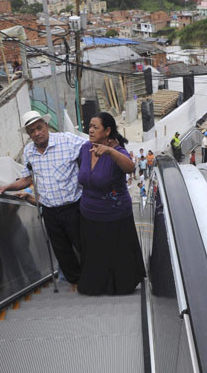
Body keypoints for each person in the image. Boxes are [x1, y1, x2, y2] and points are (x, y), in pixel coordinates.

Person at [0, 111, 86, 285]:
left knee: (84, 245)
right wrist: (7, 187)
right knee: (61, 250)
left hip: (73, 206)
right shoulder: (29, 151)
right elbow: (27, 179)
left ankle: (92, 278)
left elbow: (91, 148)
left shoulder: (67, 140)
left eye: (39, 128)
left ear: (46, 126)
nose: (36, 133)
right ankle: (76, 282)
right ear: (28, 134)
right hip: (49, 210)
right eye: (31, 131)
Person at [77, 112, 145, 295]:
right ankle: (95, 285)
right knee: (95, 254)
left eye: (95, 127)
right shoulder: (85, 149)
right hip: (89, 213)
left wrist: (109, 151)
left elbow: (130, 168)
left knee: (117, 254)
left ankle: (120, 285)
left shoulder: (118, 152)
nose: (90, 130)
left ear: (107, 131)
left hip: (115, 215)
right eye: (89, 126)